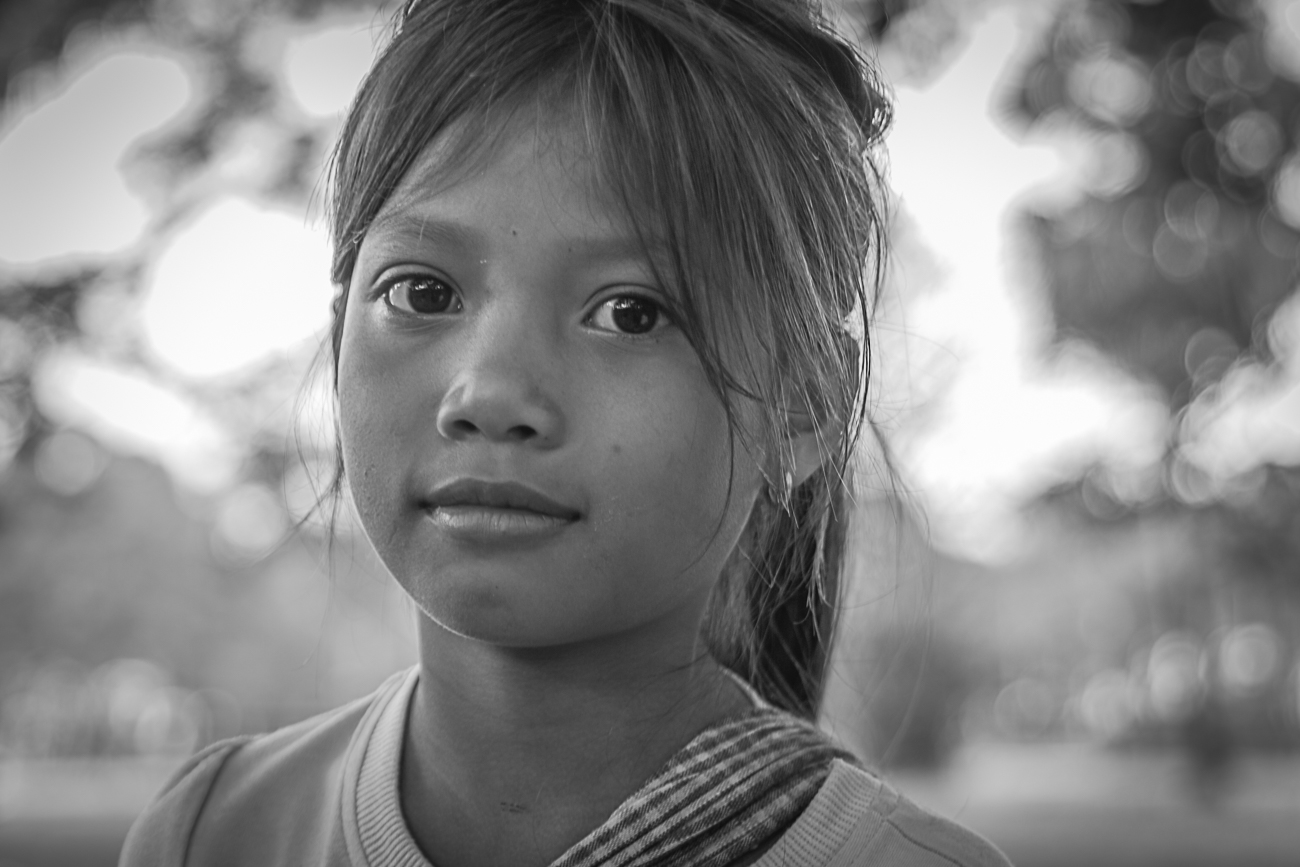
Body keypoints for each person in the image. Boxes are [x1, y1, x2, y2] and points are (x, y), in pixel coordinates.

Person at [120, 1, 1012, 864]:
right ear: (337, 334)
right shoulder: (215, 832)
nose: (490, 393)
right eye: (421, 293)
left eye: (631, 311)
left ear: (804, 401)